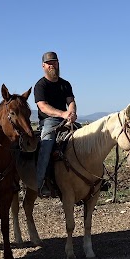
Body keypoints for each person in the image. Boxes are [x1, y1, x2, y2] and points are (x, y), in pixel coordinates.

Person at [34, 51, 76, 197]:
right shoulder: (40, 85)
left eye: (54, 62)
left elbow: (71, 102)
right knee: (46, 145)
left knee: (89, 138)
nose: (52, 66)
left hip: (66, 120)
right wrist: (62, 113)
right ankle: (40, 183)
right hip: (49, 121)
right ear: (43, 66)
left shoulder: (65, 84)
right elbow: (43, 107)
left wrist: (71, 113)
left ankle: (97, 178)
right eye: (49, 63)